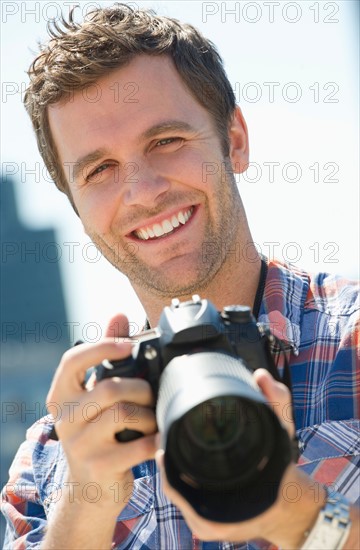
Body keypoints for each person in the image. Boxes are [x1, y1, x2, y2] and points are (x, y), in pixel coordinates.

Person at [1, 4, 359, 549]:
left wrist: (300, 517)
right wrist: (80, 515)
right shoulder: (56, 454)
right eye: (99, 170)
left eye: (166, 141)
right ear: (76, 206)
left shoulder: (351, 343)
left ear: (234, 140)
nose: (142, 191)